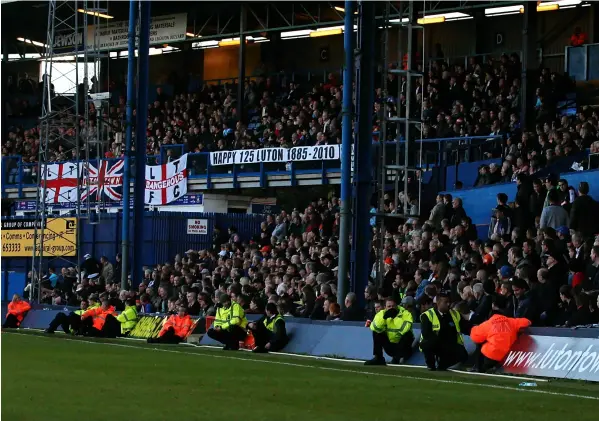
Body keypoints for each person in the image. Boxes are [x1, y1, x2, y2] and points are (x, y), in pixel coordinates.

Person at [469, 300, 531, 373]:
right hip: (508, 355)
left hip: (491, 355)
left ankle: (479, 368)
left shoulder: (488, 324)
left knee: (480, 342)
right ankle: (493, 367)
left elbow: (474, 337)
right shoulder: (511, 321)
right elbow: (527, 322)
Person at [419, 292, 470, 371]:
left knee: (463, 355)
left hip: (450, 343)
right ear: (438, 303)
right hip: (435, 342)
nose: (448, 304)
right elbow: (426, 334)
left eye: (449, 302)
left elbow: (465, 327)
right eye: (445, 302)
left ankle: (442, 365)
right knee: (426, 344)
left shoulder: (455, 314)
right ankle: (430, 364)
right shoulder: (427, 315)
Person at [365, 297, 414, 366]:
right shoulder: (381, 314)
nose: (391, 308)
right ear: (385, 307)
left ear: (397, 306)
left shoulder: (406, 314)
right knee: (376, 332)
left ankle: (397, 357)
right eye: (389, 306)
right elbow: (374, 327)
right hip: (390, 346)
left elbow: (404, 329)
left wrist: (395, 318)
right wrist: (384, 318)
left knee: (408, 334)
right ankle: (378, 358)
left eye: (393, 306)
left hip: (404, 347)